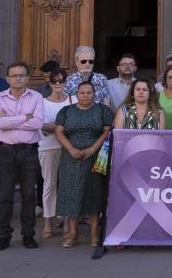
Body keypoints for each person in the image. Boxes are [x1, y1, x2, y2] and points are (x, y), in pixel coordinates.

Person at [55, 81, 113, 249]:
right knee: (72, 193)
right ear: (76, 94)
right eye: (82, 92)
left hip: (95, 157)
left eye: (89, 92)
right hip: (70, 157)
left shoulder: (102, 110)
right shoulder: (66, 111)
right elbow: (59, 131)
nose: (86, 95)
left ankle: (95, 232)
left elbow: (107, 131)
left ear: (94, 94)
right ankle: (72, 233)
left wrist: (93, 148)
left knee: (94, 194)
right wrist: (71, 149)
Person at [0, 62, 44, 250]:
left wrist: (10, 120)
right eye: (14, 75)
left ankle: (28, 235)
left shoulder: (37, 97)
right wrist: (24, 117)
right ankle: (4, 235)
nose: (18, 78)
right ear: (7, 79)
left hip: (29, 150)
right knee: (5, 195)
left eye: (21, 75)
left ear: (28, 78)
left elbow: (38, 123)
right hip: (6, 151)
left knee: (29, 195)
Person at [38, 68, 73, 240]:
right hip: (47, 146)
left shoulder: (72, 100)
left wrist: (55, 127)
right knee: (49, 184)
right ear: (49, 83)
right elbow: (41, 125)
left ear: (66, 82)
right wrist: (63, 127)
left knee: (67, 184)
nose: (58, 84)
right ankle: (47, 221)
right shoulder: (42, 102)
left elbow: (74, 124)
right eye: (54, 81)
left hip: (69, 147)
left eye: (61, 80)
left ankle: (66, 220)